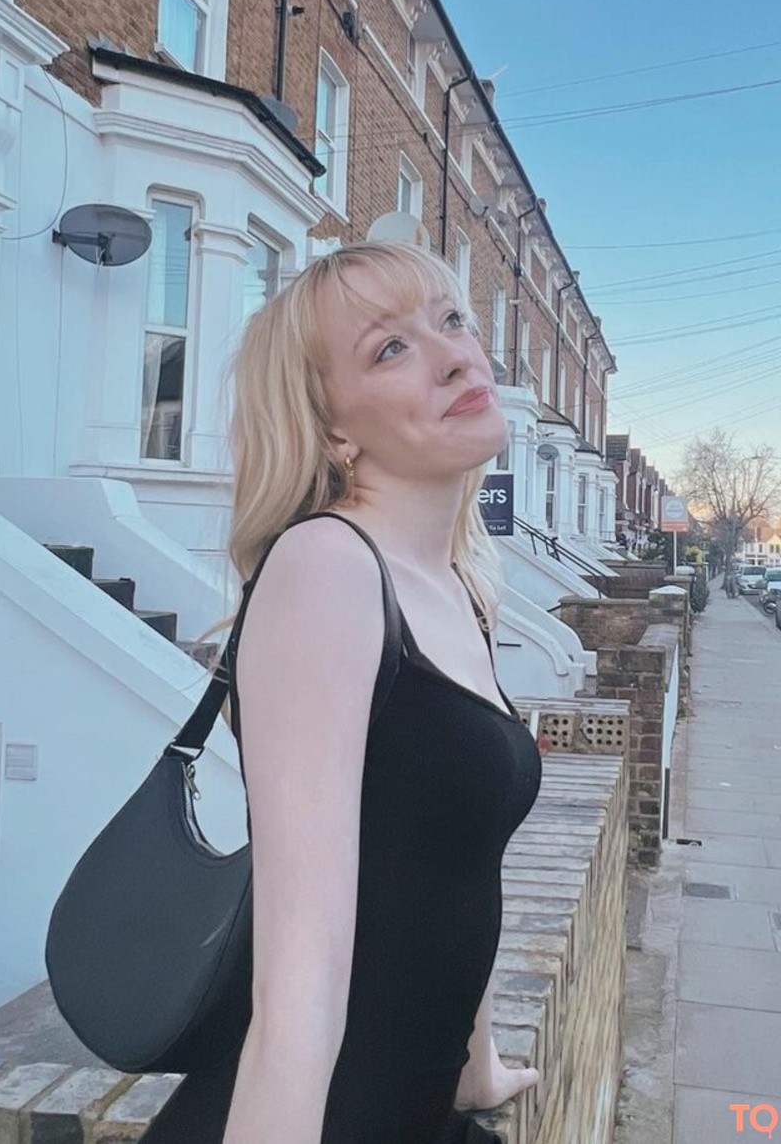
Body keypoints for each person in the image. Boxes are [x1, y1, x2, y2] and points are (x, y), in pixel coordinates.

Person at [140, 241, 542, 1144]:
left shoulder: (454, 586)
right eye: (390, 349)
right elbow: (298, 983)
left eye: (451, 320)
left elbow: (459, 865)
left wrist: (476, 1070)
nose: (454, 356)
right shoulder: (326, 567)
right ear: (333, 431)